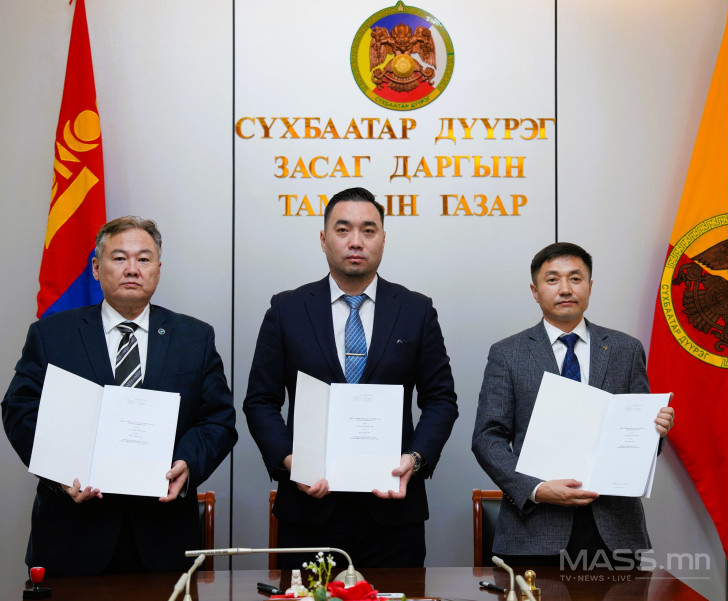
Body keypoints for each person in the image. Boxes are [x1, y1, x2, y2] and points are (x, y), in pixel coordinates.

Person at [2, 216, 237, 575]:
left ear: (158, 269)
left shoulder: (194, 337)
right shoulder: (52, 335)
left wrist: (187, 463)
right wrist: (60, 470)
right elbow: (20, 410)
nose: (132, 269)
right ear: (96, 269)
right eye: (119, 258)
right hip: (73, 532)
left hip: (163, 535)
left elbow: (218, 418)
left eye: (143, 259)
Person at [244, 186, 458, 568]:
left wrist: (415, 459)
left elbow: (440, 399)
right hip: (309, 510)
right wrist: (291, 461)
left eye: (368, 230)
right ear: (323, 239)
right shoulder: (287, 309)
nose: (356, 241)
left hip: (393, 514)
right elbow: (261, 400)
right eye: (343, 230)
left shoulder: (415, 310)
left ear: (383, 239)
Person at [471, 242, 675, 568]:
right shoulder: (508, 353)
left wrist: (655, 431)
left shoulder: (625, 349)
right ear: (535, 291)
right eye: (552, 279)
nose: (565, 289)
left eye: (575, 278)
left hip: (613, 531)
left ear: (590, 287)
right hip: (534, 530)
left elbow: (641, 444)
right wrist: (536, 489)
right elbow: (487, 438)